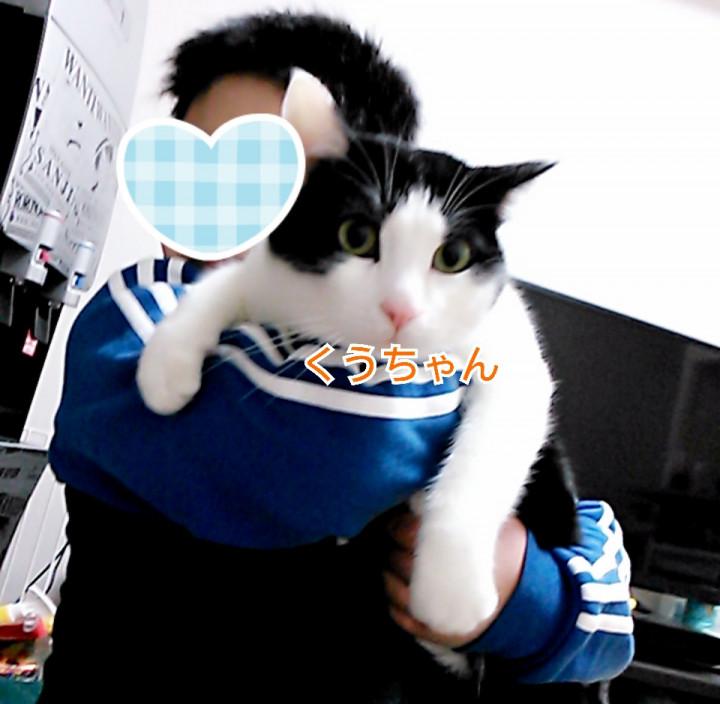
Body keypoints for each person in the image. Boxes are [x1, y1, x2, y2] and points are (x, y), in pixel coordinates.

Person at [38, 12, 634, 703]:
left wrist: (537, 593)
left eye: (277, 182)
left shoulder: (391, 323)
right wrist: (541, 586)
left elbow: (605, 616)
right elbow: (352, 449)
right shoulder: (127, 326)